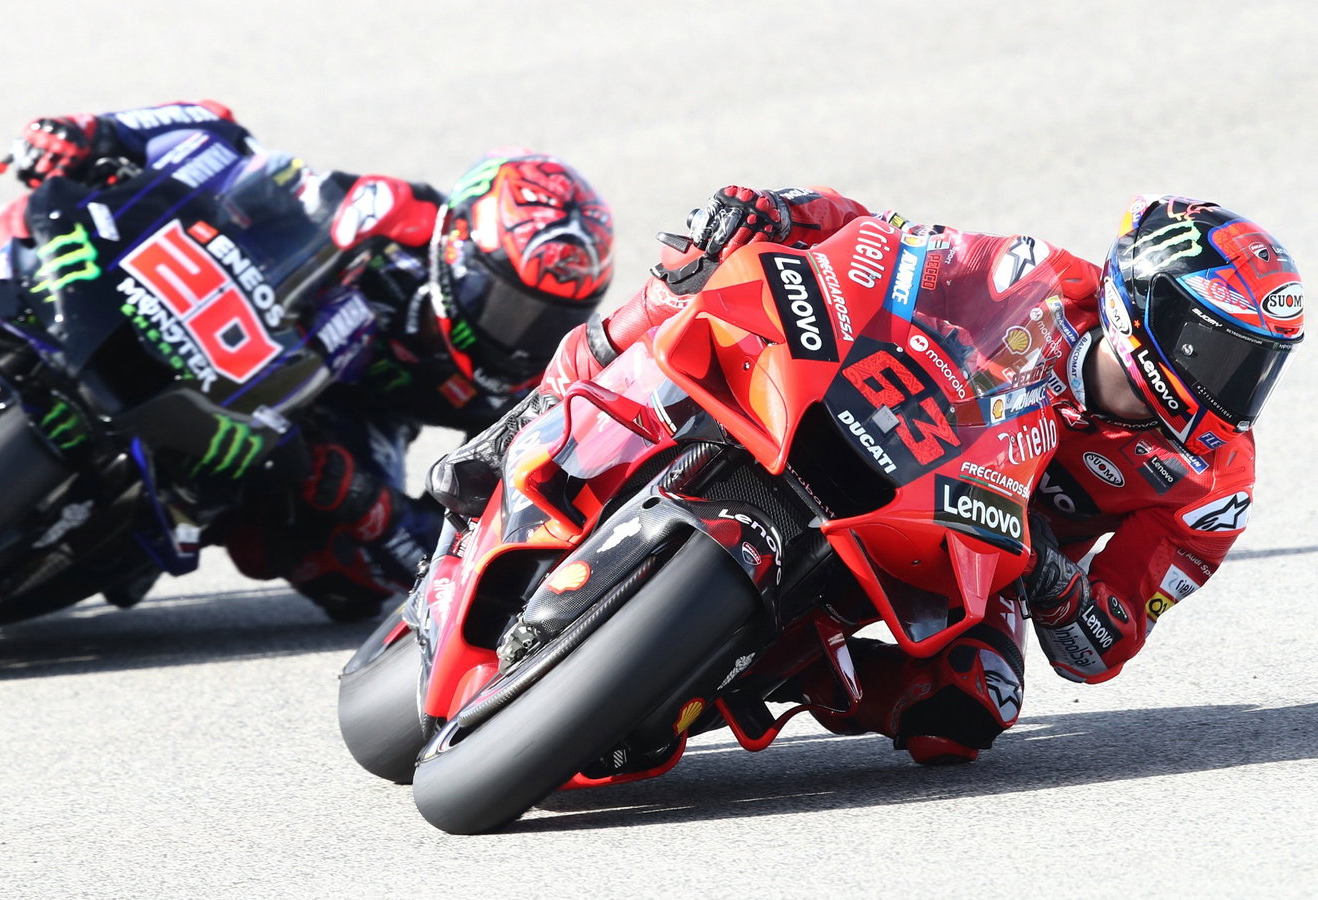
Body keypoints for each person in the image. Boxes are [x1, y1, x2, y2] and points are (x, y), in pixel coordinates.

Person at [429, 184, 1302, 764]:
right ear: (1145, 308)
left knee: (970, 713)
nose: (1236, 387)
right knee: (694, 285)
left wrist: (1053, 572)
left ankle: (789, 668)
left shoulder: (1211, 487)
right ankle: (520, 429)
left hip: (984, 545)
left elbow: (1099, 648)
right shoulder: (1034, 275)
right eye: (1219, 350)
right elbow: (883, 238)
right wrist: (771, 209)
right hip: (877, 422)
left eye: (1256, 365)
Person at [0, 101, 614, 621]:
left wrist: (377, 506)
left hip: (330, 420)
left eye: (549, 318)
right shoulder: (391, 210)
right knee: (55, 225)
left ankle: (137, 523)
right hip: (236, 319)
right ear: (459, 251)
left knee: (355, 582)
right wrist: (95, 134)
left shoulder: (523, 381)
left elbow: (499, 520)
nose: (521, 333)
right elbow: (221, 137)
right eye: (512, 306)